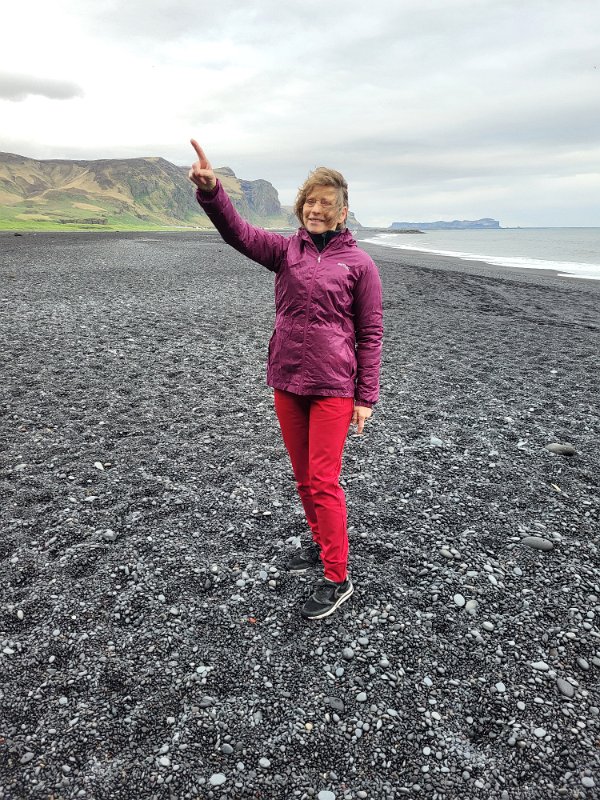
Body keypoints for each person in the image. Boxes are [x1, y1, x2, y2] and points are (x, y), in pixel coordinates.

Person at [188, 139, 383, 620]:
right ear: (302, 207)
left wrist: (366, 398)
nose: (316, 209)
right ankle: (320, 548)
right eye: (310, 202)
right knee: (303, 479)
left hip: (335, 386)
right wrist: (213, 193)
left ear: (342, 213)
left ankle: (338, 577)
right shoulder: (285, 251)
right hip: (287, 379)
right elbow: (237, 233)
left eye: (326, 204)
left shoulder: (360, 265)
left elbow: (371, 333)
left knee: (324, 480)